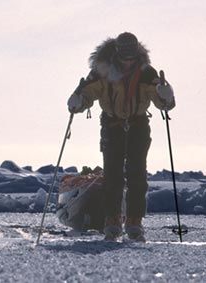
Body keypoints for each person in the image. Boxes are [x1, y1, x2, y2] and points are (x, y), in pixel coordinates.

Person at [67, 32, 175, 242]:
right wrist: (78, 101)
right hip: (112, 125)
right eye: (125, 55)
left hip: (138, 125)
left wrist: (166, 96)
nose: (128, 60)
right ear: (117, 52)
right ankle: (113, 220)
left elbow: (161, 101)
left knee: (137, 174)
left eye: (131, 56)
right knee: (113, 174)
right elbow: (87, 93)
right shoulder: (102, 71)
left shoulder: (146, 73)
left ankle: (134, 221)